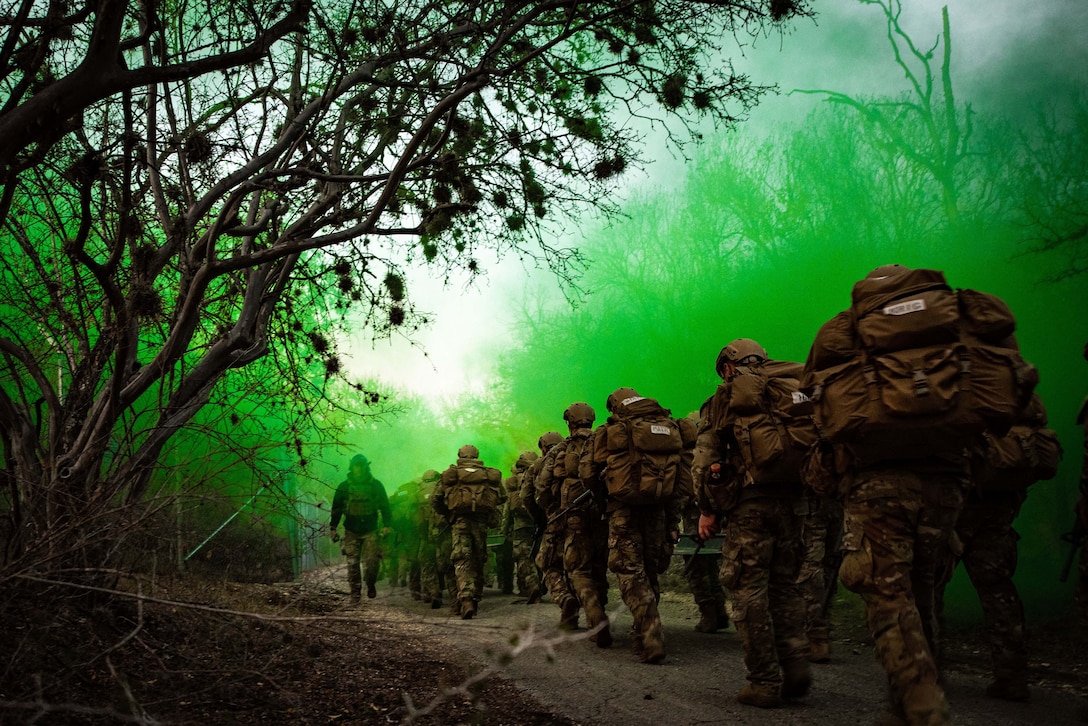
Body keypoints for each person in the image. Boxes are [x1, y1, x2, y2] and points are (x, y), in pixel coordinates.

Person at [802, 264, 1036, 726]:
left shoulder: (846, 328)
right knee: (923, 587)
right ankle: (914, 700)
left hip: (877, 481)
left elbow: (815, 398)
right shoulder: (958, 317)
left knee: (886, 590)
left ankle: (921, 703)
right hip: (950, 481)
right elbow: (1020, 384)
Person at [695, 339, 811, 708]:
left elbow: (705, 461)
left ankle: (763, 682)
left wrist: (707, 508)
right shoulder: (791, 385)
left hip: (750, 507)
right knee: (785, 586)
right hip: (795, 504)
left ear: (728, 366)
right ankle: (795, 667)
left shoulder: (726, 397)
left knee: (747, 591)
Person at [935, 393, 1060, 702]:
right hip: (999, 512)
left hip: (954, 511)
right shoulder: (1007, 390)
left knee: (928, 589)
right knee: (999, 592)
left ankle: (925, 675)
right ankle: (1012, 676)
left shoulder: (956, 384)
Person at [587, 387, 693, 664]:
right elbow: (678, 480)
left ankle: (650, 634)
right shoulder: (668, 425)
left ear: (614, 407)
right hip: (658, 510)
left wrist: (604, 503)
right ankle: (643, 630)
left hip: (624, 511)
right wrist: (672, 520)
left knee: (630, 571)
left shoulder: (612, 429)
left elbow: (588, 472)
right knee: (649, 570)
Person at [549, 402, 612, 647]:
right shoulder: (605, 440)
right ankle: (598, 619)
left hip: (574, 516)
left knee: (578, 569)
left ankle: (596, 617)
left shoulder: (563, 448)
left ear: (570, 422)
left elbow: (543, 487)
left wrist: (553, 510)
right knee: (598, 567)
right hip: (604, 515)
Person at [431, 444, 504, 619]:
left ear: (460, 455)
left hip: (459, 522)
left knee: (462, 560)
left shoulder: (452, 474)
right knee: (479, 560)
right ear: (476, 455)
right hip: (481, 523)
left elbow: (436, 500)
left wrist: (448, 513)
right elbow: (502, 497)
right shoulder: (487, 474)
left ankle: (465, 599)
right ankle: (475, 599)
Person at [524, 431, 580, 628]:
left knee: (547, 564)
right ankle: (582, 606)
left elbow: (528, 497)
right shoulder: (579, 458)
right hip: (579, 522)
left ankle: (564, 597)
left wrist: (541, 519)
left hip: (553, 523)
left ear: (543, 448)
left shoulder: (538, 466)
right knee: (576, 566)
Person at [329, 454, 392, 603]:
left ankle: (370, 583)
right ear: (352, 467)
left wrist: (387, 525)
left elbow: (385, 507)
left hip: (370, 530)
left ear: (366, 467)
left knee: (372, 562)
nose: (359, 469)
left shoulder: (376, 485)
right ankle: (355, 593)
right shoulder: (344, 487)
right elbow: (336, 509)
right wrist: (333, 528)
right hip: (351, 530)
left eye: (361, 465)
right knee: (353, 563)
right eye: (356, 466)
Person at [502, 450, 544, 603]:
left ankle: (532, 586)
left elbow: (508, 509)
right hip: (541, 523)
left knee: (524, 558)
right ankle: (542, 584)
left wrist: (504, 530)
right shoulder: (541, 476)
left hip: (521, 526)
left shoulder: (513, 482)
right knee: (540, 554)